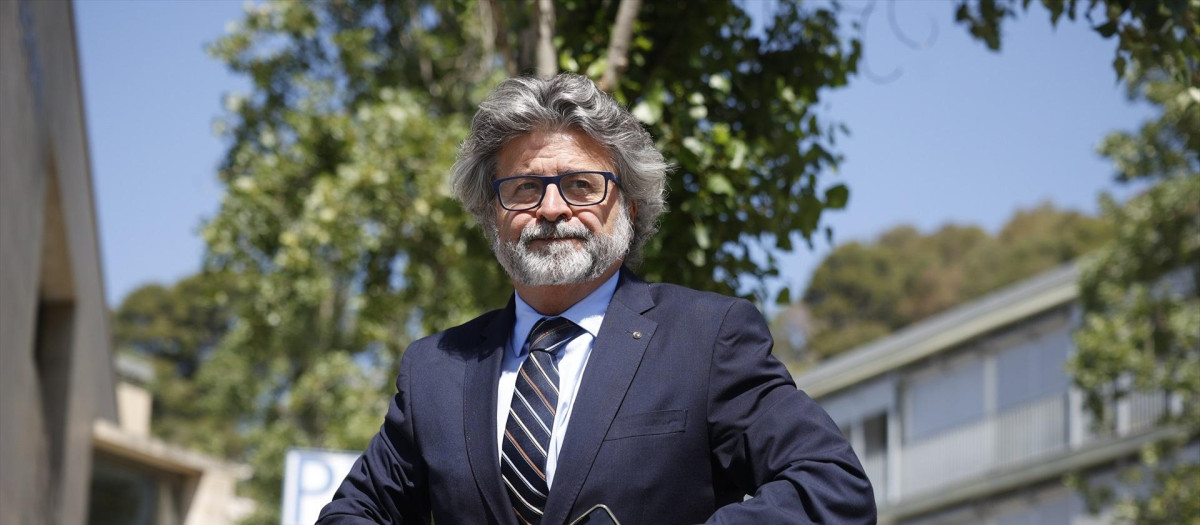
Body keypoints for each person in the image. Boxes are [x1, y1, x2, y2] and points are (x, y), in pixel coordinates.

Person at [318, 73, 875, 524]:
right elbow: (354, 513)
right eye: (524, 188)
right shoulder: (435, 370)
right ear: (492, 216)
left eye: (582, 185)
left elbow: (831, 486)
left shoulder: (708, 337)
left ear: (629, 208)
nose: (553, 208)